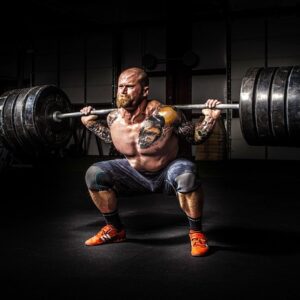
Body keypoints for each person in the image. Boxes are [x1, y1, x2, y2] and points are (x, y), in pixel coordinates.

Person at [80, 67, 221, 257]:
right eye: (120, 86)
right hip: (133, 174)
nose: (122, 91)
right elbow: (112, 138)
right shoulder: (113, 118)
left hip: (166, 171)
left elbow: (195, 136)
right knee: (94, 174)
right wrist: (91, 124)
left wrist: (210, 119)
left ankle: (196, 233)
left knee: (187, 174)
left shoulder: (168, 115)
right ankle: (115, 229)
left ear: (145, 90)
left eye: (129, 86)